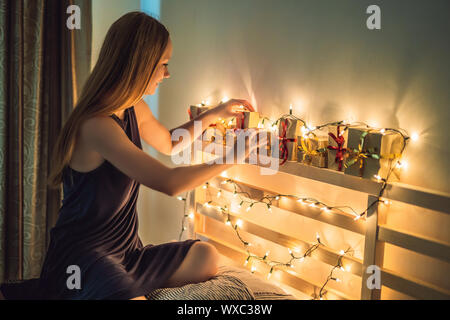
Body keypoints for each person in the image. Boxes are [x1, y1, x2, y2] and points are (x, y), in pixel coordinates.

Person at [0, 12, 262, 300]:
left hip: (127, 252)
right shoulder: (97, 126)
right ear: (138, 64)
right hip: (86, 257)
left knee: (205, 256)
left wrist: (215, 114)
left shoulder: (133, 109)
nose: (167, 74)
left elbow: (169, 143)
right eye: (163, 64)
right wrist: (236, 154)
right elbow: (170, 182)